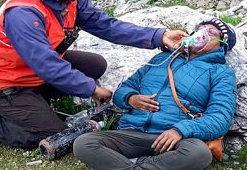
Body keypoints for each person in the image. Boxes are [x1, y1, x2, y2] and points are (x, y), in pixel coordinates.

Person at [0, 0, 187, 151]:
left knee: (95, 65)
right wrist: (90, 89)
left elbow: (108, 26)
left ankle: (31, 102)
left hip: (28, 71)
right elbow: (47, 65)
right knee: (54, 133)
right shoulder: (23, 13)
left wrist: (159, 36)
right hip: (3, 83)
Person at [73, 18, 237, 170]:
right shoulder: (162, 58)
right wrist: (130, 98)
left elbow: (220, 118)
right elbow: (123, 89)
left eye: (211, 33)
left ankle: (128, 165)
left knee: (199, 153)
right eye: (201, 29)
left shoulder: (221, 73)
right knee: (84, 143)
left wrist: (180, 130)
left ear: (221, 45)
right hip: (132, 132)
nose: (202, 34)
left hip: (173, 140)